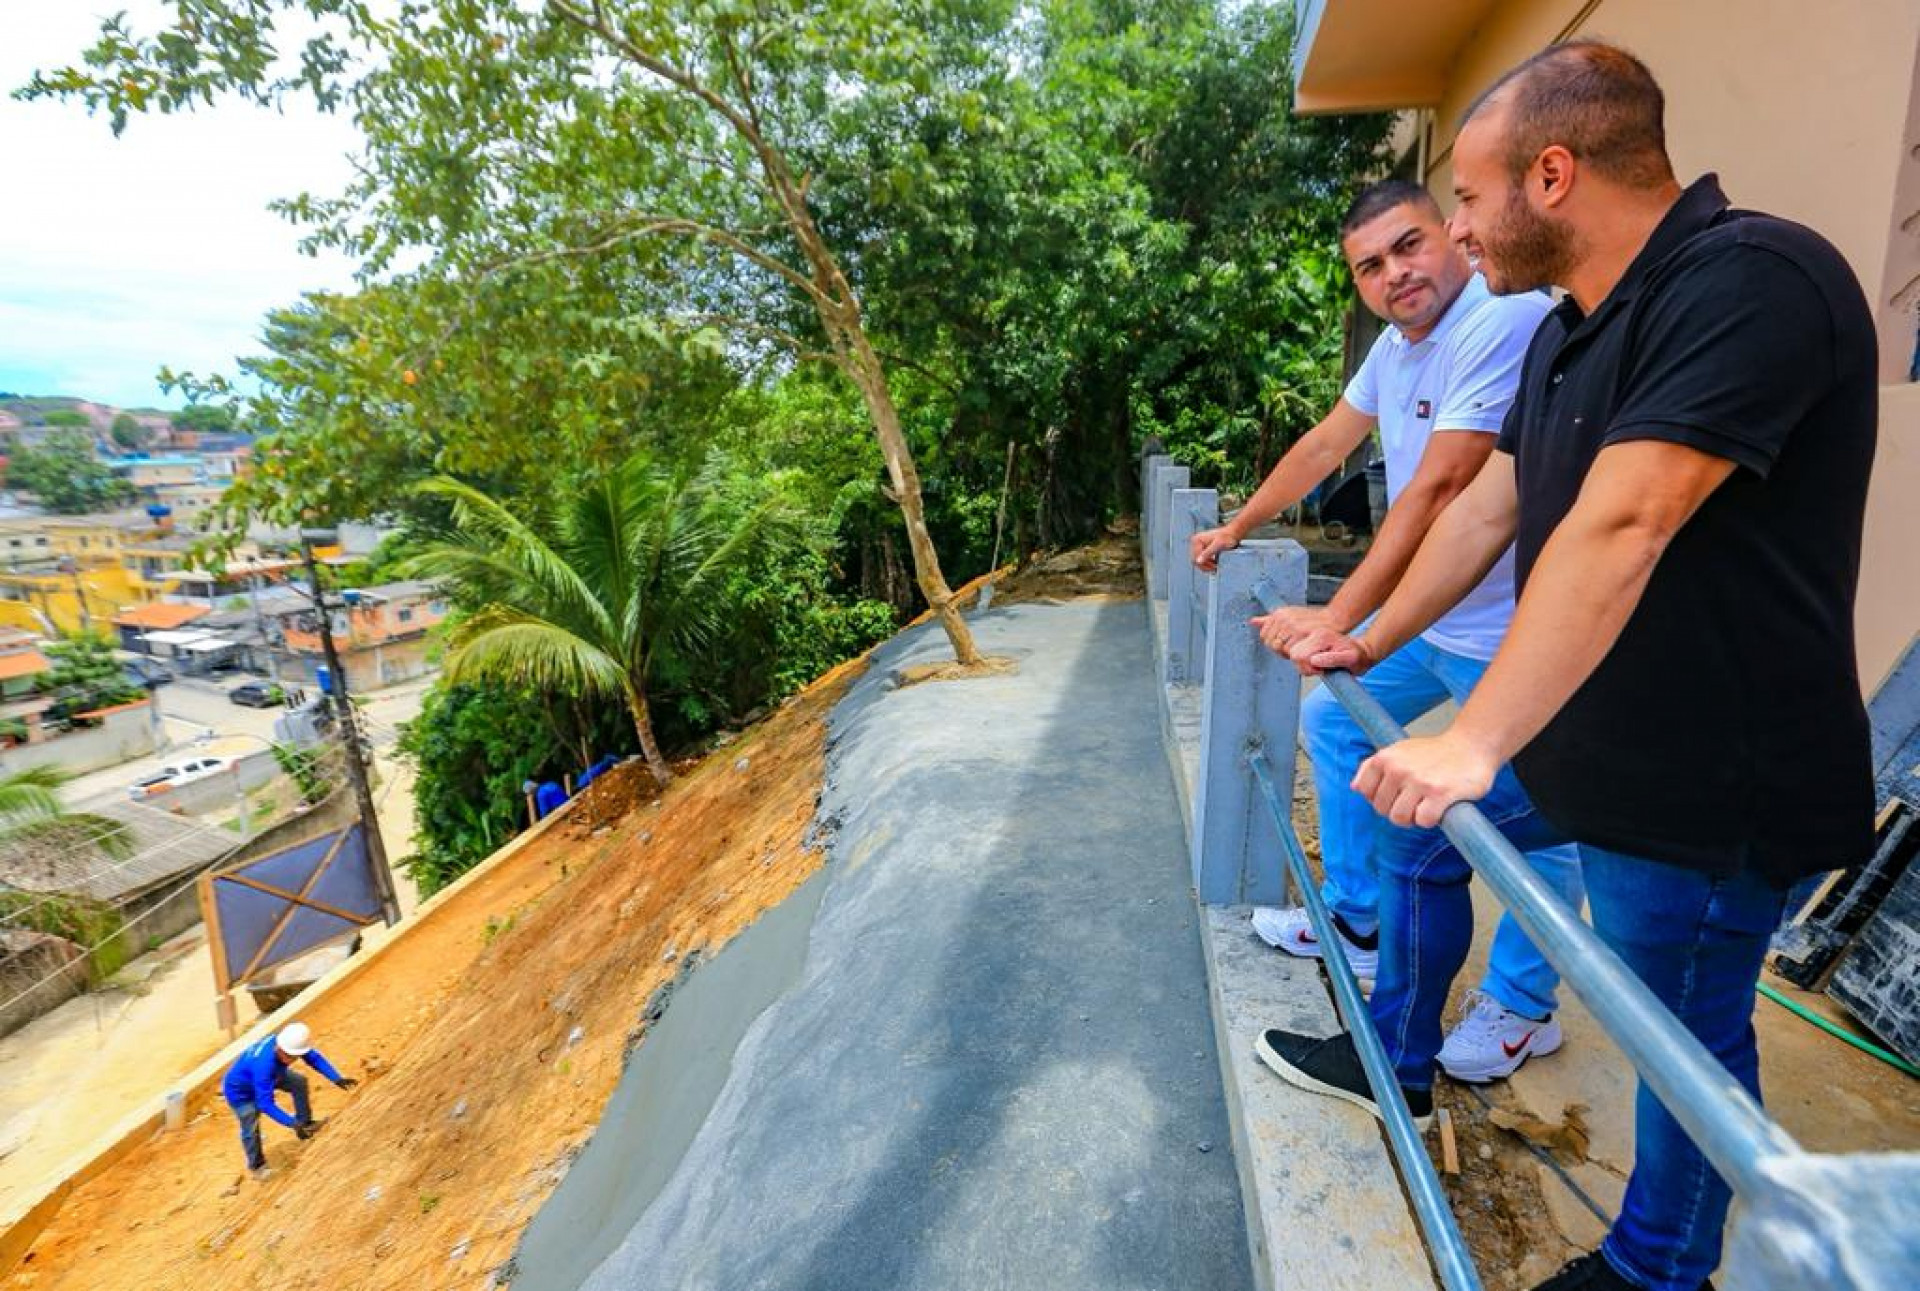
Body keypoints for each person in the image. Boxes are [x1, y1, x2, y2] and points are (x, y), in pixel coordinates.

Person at [1261, 41, 1877, 1291]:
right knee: (1425, 837)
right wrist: (1367, 639)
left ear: (1552, 175)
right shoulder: (1564, 333)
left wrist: (1475, 734)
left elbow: (1624, 519)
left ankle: (1658, 1269)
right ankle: (1403, 1055)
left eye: (1473, 199)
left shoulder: (1753, 279)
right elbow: (1489, 508)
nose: (1462, 229)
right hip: (1595, 738)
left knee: (1682, 1036)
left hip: (1712, 783)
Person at [1191, 177, 1583, 1081]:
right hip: (1442, 619)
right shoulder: (1399, 350)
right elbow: (1329, 443)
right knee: (1334, 721)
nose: (1394, 275)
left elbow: (1447, 489)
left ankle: (1525, 1007)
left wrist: (1340, 614)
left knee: (1542, 827)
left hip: (1519, 632)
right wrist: (1241, 524)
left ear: (1449, 234)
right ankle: (1360, 916)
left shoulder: (1499, 316)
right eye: (1370, 265)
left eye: (1408, 247)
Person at [221, 1020, 359, 1180]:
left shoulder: (291, 1043)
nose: (289, 1060)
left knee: (298, 1082)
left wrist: (336, 1078)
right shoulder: (263, 1064)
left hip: (272, 1075)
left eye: (293, 1057)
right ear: (279, 1047)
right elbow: (264, 1103)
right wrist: (290, 1122)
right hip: (241, 1092)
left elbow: (315, 1059)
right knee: (250, 1123)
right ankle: (257, 1165)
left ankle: (306, 1124)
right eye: (287, 1056)